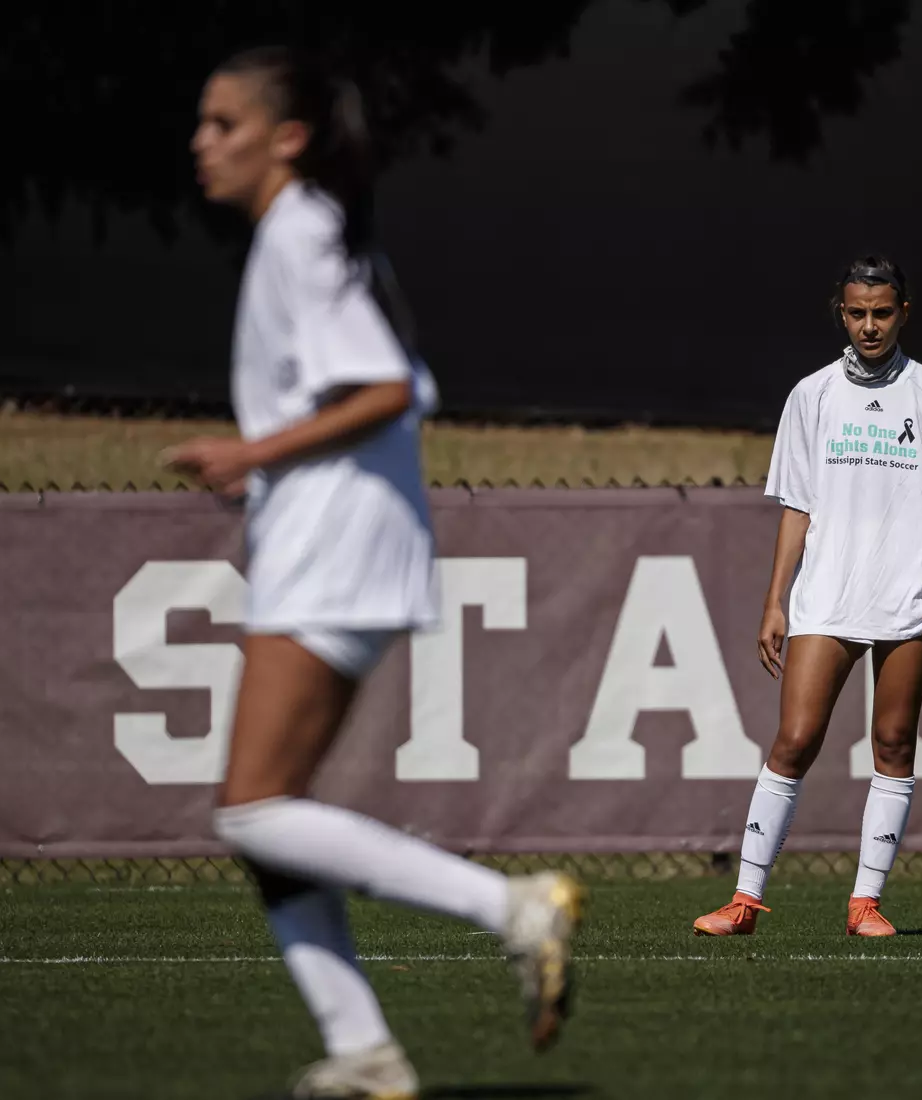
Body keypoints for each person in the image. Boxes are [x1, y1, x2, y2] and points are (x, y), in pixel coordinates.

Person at [163, 46, 582, 1100]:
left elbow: (391, 388)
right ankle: (362, 1049)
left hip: (335, 531)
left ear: (286, 136)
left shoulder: (299, 232)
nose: (202, 143)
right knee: (269, 819)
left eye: (224, 124)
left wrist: (247, 454)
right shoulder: (309, 232)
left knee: (251, 809)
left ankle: (512, 907)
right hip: (340, 527)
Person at [692, 257, 922, 939]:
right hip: (825, 596)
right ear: (839, 313)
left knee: (893, 741)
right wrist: (775, 601)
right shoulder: (811, 395)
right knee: (793, 740)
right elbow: (796, 508)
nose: (869, 324)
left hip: (909, 593)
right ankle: (744, 901)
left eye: (881, 311)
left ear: (903, 311)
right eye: (857, 312)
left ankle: (864, 904)